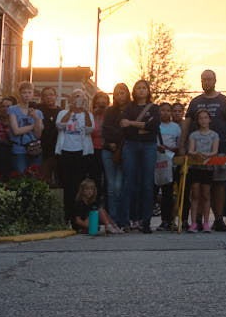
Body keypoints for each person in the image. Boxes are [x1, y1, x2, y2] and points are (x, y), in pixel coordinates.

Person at [181, 71, 226, 231]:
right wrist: (182, 145)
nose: (206, 82)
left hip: (219, 150)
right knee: (197, 188)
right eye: (203, 79)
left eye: (209, 79)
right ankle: (197, 220)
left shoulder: (224, 101)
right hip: (197, 154)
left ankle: (218, 219)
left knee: (218, 185)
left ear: (215, 81)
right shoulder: (195, 102)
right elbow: (187, 123)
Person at [120, 79, 161, 233]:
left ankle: (146, 222)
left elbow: (154, 126)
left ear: (148, 91)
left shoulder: (155, 108)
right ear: (134, 91)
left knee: (147, 185)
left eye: (144, 88)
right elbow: (124, 128)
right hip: (130, 146)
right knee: (128, 183)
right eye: (138, 88)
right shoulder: (128, 108)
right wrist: (143, 126)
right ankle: (125, 221)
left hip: (149, 146)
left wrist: (132, 123)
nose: (141, 90)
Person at [55, 91, 96, 221]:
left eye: (81, 97)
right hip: (65, 151)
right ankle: (67, 215)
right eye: (76, 97)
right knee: (67, 184)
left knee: (78, 184)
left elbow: (90, 129)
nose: (78, 99)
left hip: (81, 152)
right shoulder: (63, 112)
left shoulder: (88, 114)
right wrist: (70, 111)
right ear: (71, 99)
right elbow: (60, 126)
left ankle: (78, 216)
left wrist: (84, 112)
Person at [187, 109, 220, 232]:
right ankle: (194, 223)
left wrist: (207, 155)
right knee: (195, 194)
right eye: (201, 118)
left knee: (206, 194)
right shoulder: (193, 135)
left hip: (207, 168)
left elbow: (215, 151)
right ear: (198, 121)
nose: (203, 120)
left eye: (205, 118)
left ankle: (206, 223)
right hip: (195, 167)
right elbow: (190, 150)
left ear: (209, 119)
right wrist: (197, 154)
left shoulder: (214, 135)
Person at [101, 83, 129, 226]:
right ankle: (112, 218)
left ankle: (122, 218)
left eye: (123, 92)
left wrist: (117, 135)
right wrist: (119, 135)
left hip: (125, 151)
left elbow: (130, 132)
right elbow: (105, 130)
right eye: (117, 93)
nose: (120, 95)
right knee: (111, 187)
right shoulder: (109, 111)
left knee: (120, 186)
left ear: (128, 93)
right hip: (108, 151)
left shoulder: (132, 110)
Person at [7, 83, 44, 175]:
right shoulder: (13, 109)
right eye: (24, 92)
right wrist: (35, 124)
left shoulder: (38, 113)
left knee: (34, 177)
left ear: (33, 94)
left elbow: (38, 135)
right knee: (21, 176)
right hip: (19, 148)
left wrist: (36, 118)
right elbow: (16, 131)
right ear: (19, 94)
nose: (27, 95)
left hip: (34, 148)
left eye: (29, 92)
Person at [156, 103, 182, 231]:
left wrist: (172, 149)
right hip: (156, 162)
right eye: (162, 110)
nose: (165, 113)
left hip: (170, 163)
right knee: (154, 191)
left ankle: (168, 220)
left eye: (167, 110)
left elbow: (179, 145)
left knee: (168, 192)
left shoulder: (176, 127)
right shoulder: (155, 126)